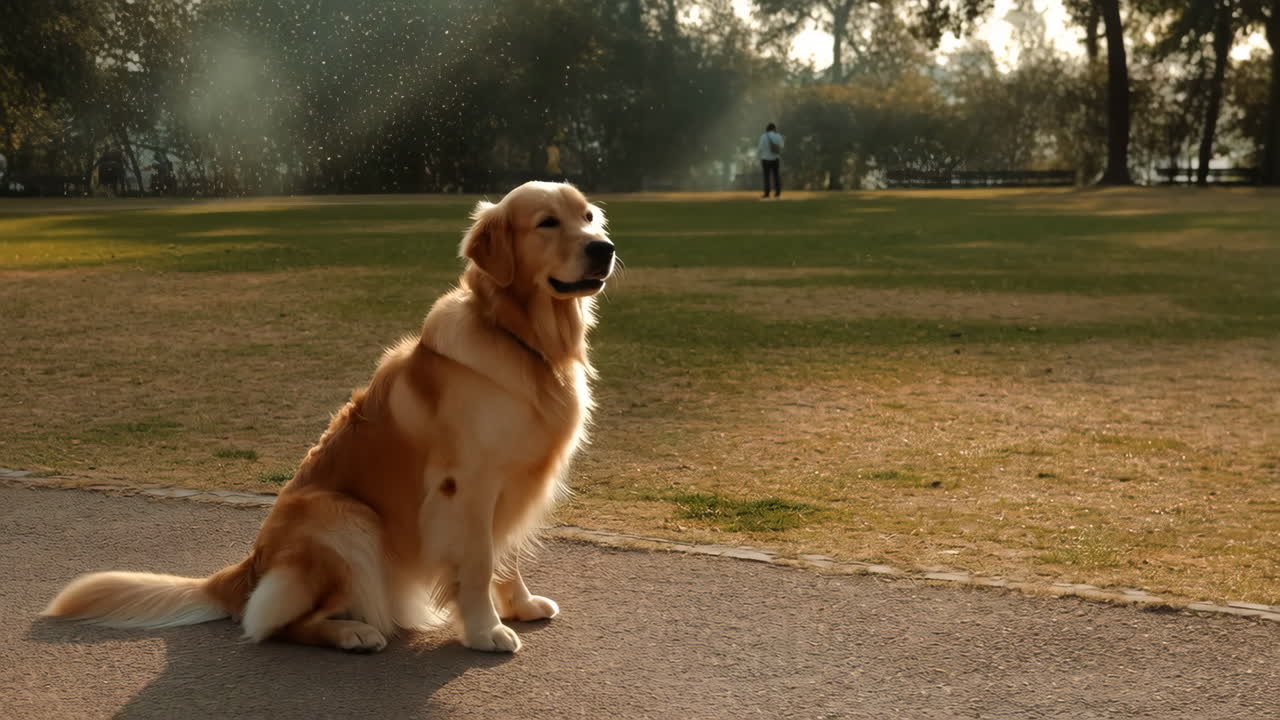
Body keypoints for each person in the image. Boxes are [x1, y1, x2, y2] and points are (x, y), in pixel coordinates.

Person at [757, 122, 784, 198]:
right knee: (776, 176)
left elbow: (760, 148)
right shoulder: (778, 136)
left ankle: (767, 193)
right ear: (774, 129)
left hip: (765, 159)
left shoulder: (763, 137)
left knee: (766, 177)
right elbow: (782, 146)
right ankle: (777, 192)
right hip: (775, 159)